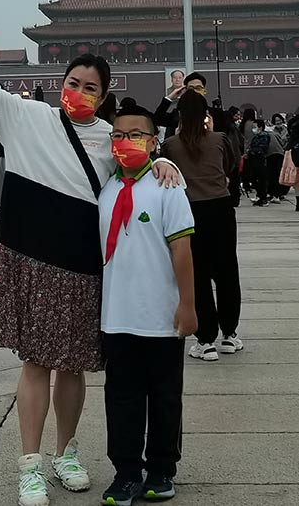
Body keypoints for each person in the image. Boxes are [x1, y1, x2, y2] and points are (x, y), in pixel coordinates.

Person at [0, 34, 181, 506]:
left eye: (90, 87)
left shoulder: (107, 139)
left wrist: (162, 160)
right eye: (72, 82)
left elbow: (134, 165)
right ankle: (30, 466)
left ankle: (67, 452)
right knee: (36, 363)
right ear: (61, 82)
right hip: (29, 257)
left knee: (74, 367)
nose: (78, 91)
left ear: (104, 96)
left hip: (80, 266)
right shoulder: (26, 117)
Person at [99, 104, 196, 505]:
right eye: (118, 135)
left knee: (164, 397)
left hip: (160, 316)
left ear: (154, 141)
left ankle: (160, 468)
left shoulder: (168, 188)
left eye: (136, 134)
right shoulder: (104, 187)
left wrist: (187, 305)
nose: (125, 142)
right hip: (117, 316)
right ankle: (125, 471)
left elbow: (182, 250)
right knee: (120, 397)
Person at [163, 90, 242, 363]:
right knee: (227, 271)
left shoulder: (172, 144)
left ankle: (206, 340)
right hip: (220, 209)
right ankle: (230, 334)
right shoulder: (219, 139)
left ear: (181, 115)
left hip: (189, 212)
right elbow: (231, 166)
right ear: (206, 113)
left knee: (197, 276)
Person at [154, 72, 208, 140]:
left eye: (198, 88)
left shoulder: (214, 114)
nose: (194, 92)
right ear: (185, 91)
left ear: (204, 91)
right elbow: (157, 119)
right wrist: (170, 97)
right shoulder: (177, 114)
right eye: (190, 89)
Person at [247, 120, 272, 206]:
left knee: (262, 180)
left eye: (255, 127)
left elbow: (262, 149)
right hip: (254, 160)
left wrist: (252, 151)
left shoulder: (265, 136)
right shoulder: (256, 137)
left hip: (261, 160)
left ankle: (263, 198)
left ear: (260, 127)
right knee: (254, 179)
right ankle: (259, 196)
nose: (253, 129)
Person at [266, 117, 287, 202]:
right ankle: (275, 193)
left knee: (282, 174)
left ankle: (280, 193)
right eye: (276, 121)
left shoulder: (286, 130)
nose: (278, 122)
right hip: (276, 153)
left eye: (279, 120)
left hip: (285, 152)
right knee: (275, 174)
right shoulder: (271, 131)